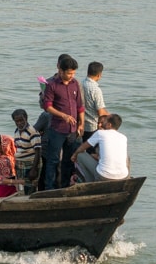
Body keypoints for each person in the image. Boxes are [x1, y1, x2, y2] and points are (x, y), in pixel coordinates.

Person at [40, 54, 85, 190]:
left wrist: (81, 123)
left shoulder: (75, 84)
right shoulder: (52, 85)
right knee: (53, 160)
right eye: (69, 73)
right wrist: (63, 116)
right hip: (57, 129)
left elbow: (80, 106)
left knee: (69, 160)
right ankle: (49, 188)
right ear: (61, 71)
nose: (71, 75)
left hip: (72, 130)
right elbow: (47, 106)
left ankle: (65, 187)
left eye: (73, 73)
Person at [74, 114, 130, 182]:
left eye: (105, 121)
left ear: (109, 125)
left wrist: (74, 155)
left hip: (104, 176)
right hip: (124, 176)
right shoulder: (123, 137)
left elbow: (82, 147)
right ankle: (128, 178)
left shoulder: (100, 133)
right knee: (127, 157)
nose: (102, 123)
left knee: (80, 155)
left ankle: (90, 183)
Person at [11, 109, 43, 187]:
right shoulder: (17, 131)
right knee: (22, 186)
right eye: (17, 121)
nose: (19, 123)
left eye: (21, 120)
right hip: (20, 163)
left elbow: (38, 151)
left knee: (30, 186)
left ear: (26, 118)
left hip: (30, 163)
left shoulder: (32, 132)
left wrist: (34, 169)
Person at [81, 61, 108, 139]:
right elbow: (101, 112)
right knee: (93, 150)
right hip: (92, 126)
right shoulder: (96, 90)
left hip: (81, 124)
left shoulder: (80, 84)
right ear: (99, 75)